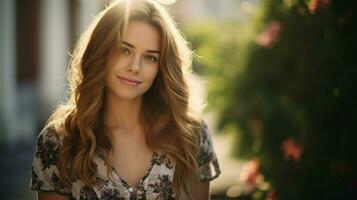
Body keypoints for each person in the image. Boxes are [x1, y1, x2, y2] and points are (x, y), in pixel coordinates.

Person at [29, 0, 220, 199]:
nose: (135, 67)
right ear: (101, 50)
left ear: (161, 67)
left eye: (150, 57)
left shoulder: (191, 136)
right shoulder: (60, 141)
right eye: (124, 50)